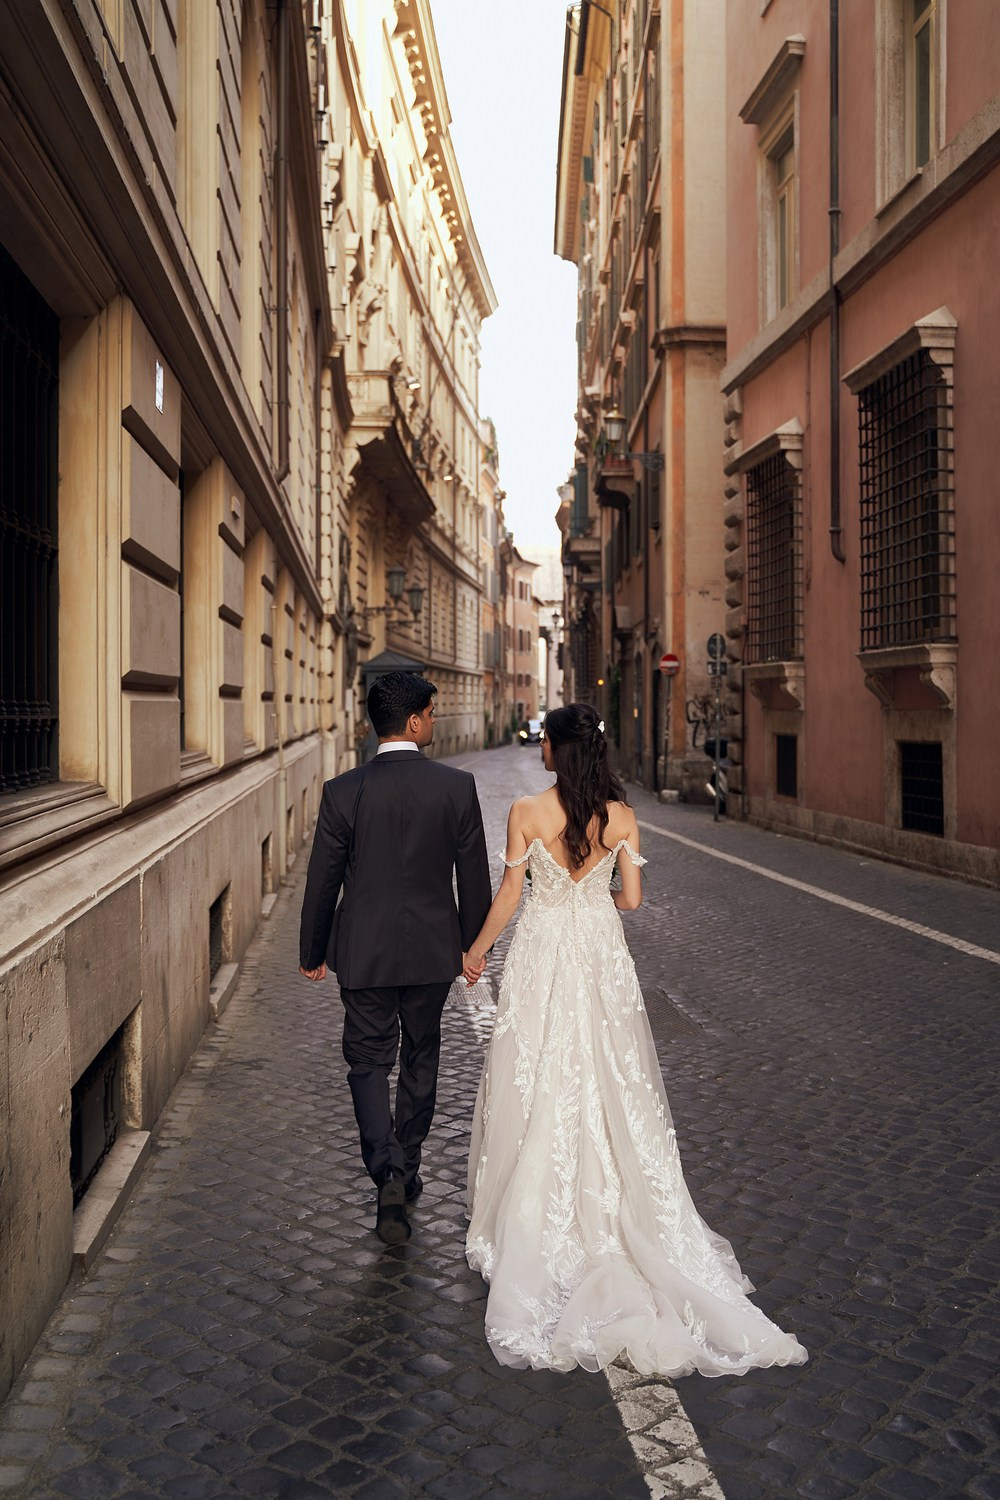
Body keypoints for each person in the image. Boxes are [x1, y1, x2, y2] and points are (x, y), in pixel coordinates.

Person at [462, 702, 808, 1377]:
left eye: (547, 744)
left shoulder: (527, 812)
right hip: (599, 955)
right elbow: (632, 902)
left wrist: (476, 951)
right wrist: (597, 887)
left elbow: (509, 897)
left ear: (559, 751)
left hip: (542, 953)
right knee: (610, 1074)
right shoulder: (621, 816)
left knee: (539, 1075)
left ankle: (531, 1218)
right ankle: (625, 1214)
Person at [299, 671, 492, 1246]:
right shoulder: (456, 788)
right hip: (433, 951)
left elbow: (321, 882)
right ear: (414, 721)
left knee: (366, 1062)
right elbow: (473, 881)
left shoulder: (342, 791)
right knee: (421, 1057)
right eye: (432, 713)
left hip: (363, 951)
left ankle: (384, 1169)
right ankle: (404, 1168)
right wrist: (471, 946)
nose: (434, 720)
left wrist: (313, 950)